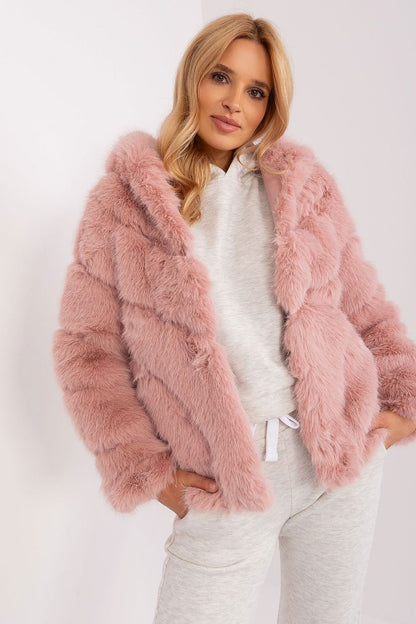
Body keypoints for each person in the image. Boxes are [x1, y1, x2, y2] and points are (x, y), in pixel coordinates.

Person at [51, 13, 416, 624]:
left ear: (271, 106)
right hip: (227, 478)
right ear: (193, 77)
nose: (234, 102)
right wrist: (144, 467)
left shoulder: (300, 185)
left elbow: (364, 306)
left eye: (256, 91)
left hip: (336, 460)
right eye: (221, 77)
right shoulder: (125, 204)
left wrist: (404, 400)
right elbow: (87, 351)